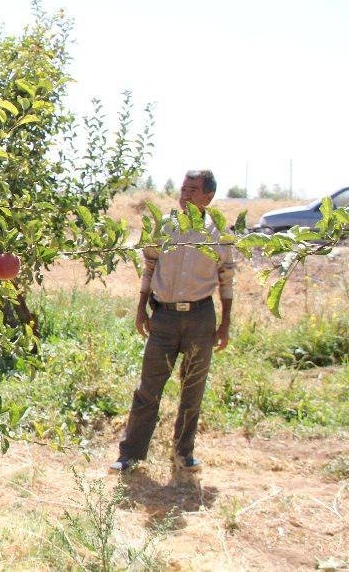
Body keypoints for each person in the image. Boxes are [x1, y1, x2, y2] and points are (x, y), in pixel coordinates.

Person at [110, 170, 235, 474]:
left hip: (200, 318)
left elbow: (226, 279)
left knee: (193, 389)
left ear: (208, 196)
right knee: (148, 388)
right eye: (183, 189)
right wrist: (141, 310)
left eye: (193, 190)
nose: (186, 194)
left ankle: (183, 454)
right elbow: (149, 268)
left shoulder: (218, 233)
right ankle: (130, 455)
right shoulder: (164, 226)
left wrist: (225, 324)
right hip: (163, 317)